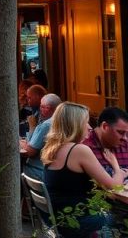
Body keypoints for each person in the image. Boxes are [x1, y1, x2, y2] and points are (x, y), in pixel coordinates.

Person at [42, 102, 125, 238]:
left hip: (58, 220)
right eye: (85, 122)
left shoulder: (51, 149)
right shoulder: (79, 150)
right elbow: (114, 188)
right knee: (122, 219)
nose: (89, 127)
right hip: (78, 223)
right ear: (74, 124)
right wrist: (117, 169)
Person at [23, 93, 62, 180]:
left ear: (47, 108)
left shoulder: (46, 125)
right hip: (55, 171)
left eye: (41, 106)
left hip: (38, 171)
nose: (40, 110)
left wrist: (32, 127)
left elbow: (29, 152)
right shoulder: (63, 121)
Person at [83, 106, 128, 173]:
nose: (125, 139)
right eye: (121, 132)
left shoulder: (125, 144)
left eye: (127, 134)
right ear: (105, 127)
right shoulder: (84, 146)